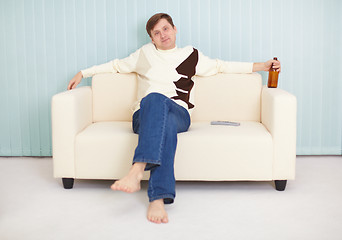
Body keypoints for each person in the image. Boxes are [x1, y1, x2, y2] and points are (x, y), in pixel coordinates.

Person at [67, 13, 281, 224]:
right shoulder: (145, 54)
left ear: (175, 29)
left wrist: (262, 66)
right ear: (151, 38)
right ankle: (158, 198)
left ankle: (137, 169)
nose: (162, 35)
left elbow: (221, 66)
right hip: (144, 115)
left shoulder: (191, 54)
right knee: (156, 105)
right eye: (156, 33)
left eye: (166, 29)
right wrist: (83, 73)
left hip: (180, 114)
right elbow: (115, 65)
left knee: (163, 108)